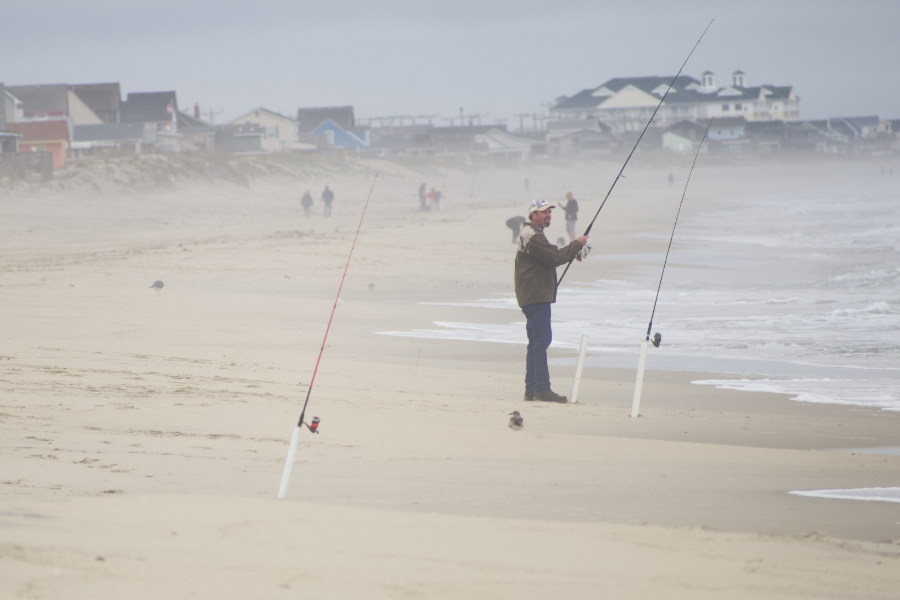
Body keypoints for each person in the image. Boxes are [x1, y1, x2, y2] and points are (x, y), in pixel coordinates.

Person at [515, 198, 588, 403]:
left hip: (532, 296)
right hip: (535, 296)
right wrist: (577, 244)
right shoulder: (533, 236)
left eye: (550, 212)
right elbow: (554, 258)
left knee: (535, 343)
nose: (548, 215)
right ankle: (541, 389)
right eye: (544, 212)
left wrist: (571, 252)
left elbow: (551, 255)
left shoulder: (531, 233)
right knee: (541, 342)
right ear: (533, 215)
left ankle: (531, 389)